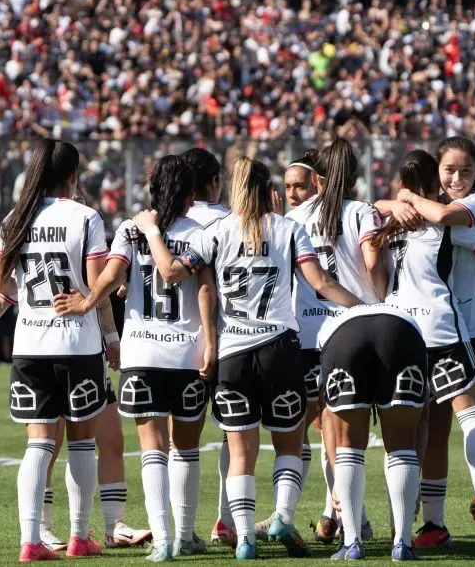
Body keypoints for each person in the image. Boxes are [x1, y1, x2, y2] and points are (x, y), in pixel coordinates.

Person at [134, 156, 365, 560]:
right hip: (279, 349)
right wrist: (364, 309)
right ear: (268, 190)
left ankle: (244, 539)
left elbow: (170, 272)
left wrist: (153, 230)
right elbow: (321, 282)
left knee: (241, 451)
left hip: (233, 355)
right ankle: (282, 515)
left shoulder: (216, 231)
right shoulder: (289, 229)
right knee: (289, 443)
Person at [53, 155, 218, 561]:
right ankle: (183, 534)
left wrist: (87, 301)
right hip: (186, 352)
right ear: (192, 192)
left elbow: (111, 276)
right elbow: (205, 291)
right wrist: (212, 342)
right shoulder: (203, 230)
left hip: (141, 350)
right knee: (187, 448)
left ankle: (162, 541)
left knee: (152, 449)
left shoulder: (130, 227)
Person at [0, 139, 116, 562]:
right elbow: (97, 282)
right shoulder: (87, 217)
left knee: (37, 445)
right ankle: (78, 537)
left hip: (30, 343)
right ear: (74, 174)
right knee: (81, 443)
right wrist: (94, 312)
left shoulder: (15, 219)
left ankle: (31, 540)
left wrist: (34, 300)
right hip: (76, 342)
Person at [0, 288, 152, 555]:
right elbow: (0, 289)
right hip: (68, 350)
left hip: (81, 350)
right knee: (53, 444)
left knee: (111, 439)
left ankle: (113, 525)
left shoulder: (34, 247)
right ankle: (46, 530)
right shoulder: (79, 245)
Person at [371, 149, 475, 553]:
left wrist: (396, 204)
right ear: (436, 180)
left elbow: (366, 217)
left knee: (413, 430)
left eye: (465, 170)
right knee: (474, 416)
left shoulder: (385, 222)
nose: (457, 178)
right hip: (445, 328)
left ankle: (407, 527)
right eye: (448, 171)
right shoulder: (444, 223)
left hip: (399, 332)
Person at [282, 140, 387, 546]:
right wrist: (378, 302)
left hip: (307, 335)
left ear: (317, 178)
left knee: (323, 427)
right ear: (356, 176)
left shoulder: (293, 219)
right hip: (354, 328)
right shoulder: (362, 212)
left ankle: (340, 514)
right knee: (346, 430)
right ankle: (350, 515)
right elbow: (374, 265)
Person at [318, 303, 428, 561]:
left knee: (349, 444)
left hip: (342, 335)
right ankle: (402, 544)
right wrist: (415, 479)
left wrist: (337, 480)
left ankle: (352, 543)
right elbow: (424, 421)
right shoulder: (402, 313)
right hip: (403, 332)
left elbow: (326, 419)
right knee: (402, 443)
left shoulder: (332, 325)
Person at [180, 146, 238, 547]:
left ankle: (177, 531)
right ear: (216, 183)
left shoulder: (168, 224)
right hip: (228, 340)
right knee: (233, 433)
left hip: (175, 345)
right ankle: (227, 520)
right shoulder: (231, 222)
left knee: (176, 443)